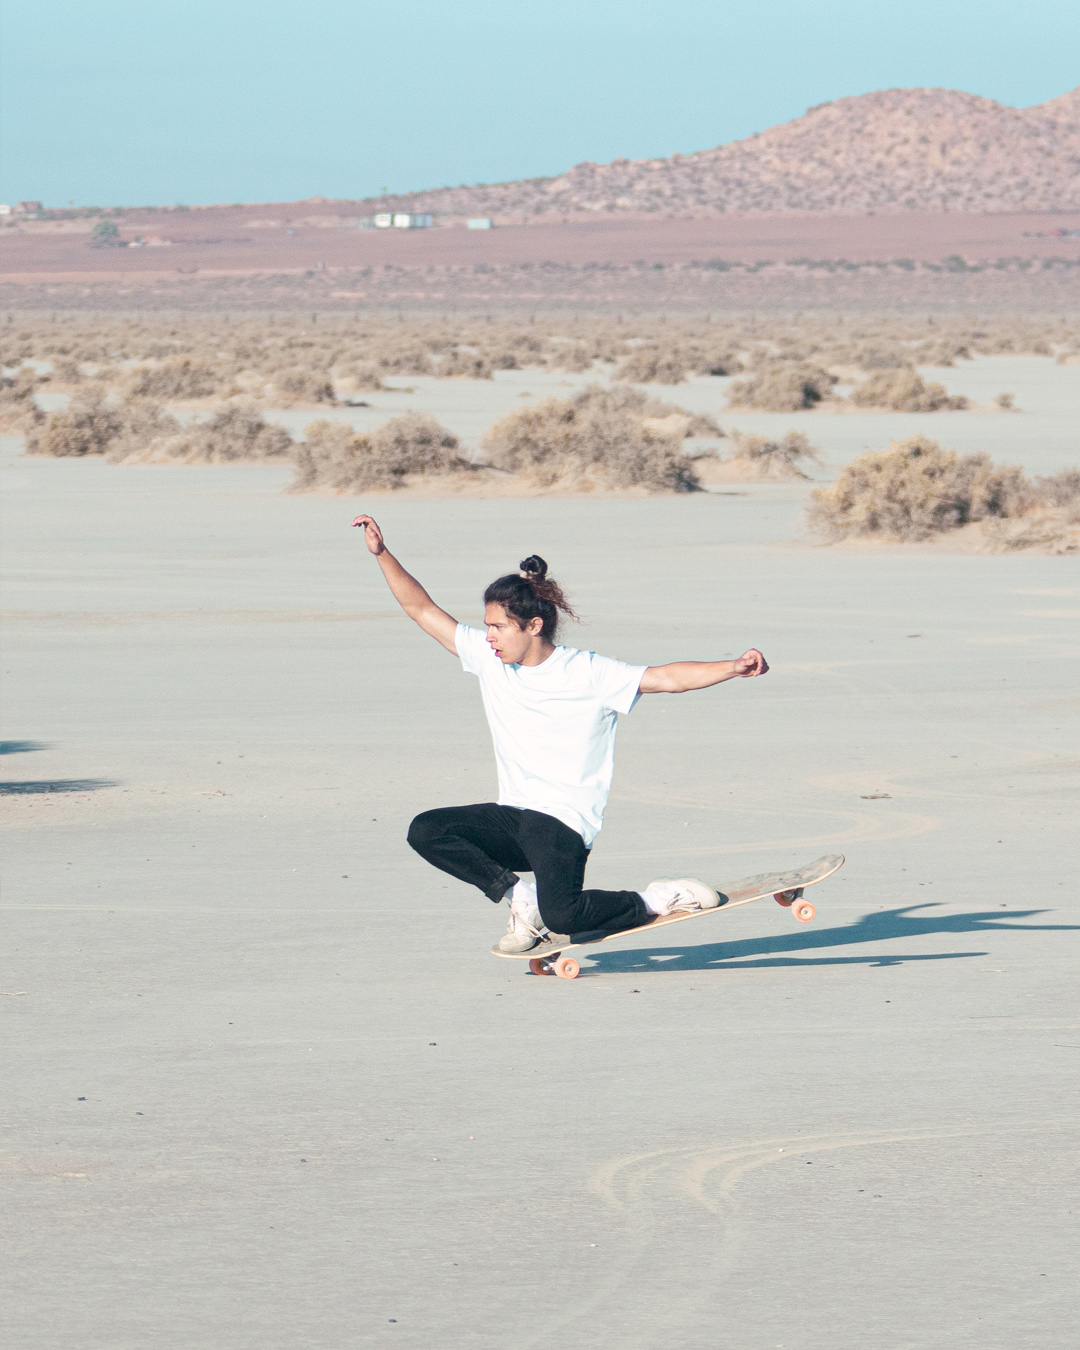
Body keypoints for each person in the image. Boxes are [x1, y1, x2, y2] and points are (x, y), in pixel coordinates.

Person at [353, 514, 769, 953]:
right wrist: (382, 554)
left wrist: (732, 667)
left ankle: (657, 898)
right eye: (487, 625)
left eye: (498, 626)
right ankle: (521, 899)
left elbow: (666, 678)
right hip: (514, 815)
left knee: (565, 917)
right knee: (427, 830)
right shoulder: (490, 660)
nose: (488, 636)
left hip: (563, 823)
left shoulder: (588, 672)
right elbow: (421, 609)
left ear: (533, 626)